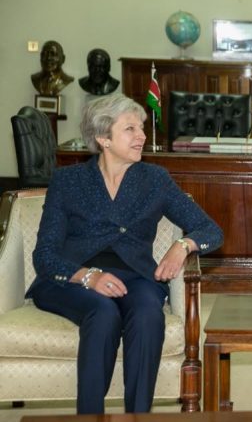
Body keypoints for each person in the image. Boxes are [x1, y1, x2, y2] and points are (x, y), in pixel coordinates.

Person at [26, 94, 224, 414]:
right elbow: (44, 254)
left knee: (148, 314)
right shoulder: (69, 180)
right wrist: (89, 277)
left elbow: (211, 230)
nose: (142, 136)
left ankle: (139, 416)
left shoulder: (154, 179)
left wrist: (182, 245)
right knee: (103, 313)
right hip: (73, 277)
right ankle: (89, 417)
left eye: (142, 127)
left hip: (136, 276)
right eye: (130, 129)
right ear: (103, 138)